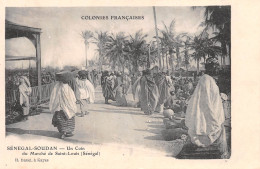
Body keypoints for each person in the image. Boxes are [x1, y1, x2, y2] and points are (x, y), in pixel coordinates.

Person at [184, 57, 228, 158]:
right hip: (210, 113)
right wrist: (212, 117)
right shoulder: (206, 79)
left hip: (214, 111)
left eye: (217, 66)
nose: (217, 69)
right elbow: (206, 101)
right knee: (209, 132)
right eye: (215, 66)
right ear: (210, 67)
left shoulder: (209, 79)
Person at [50, 71, 78, 139]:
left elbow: (53, 96)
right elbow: (72, 97)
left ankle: (65, 132)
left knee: (62, 119)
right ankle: (66, 132)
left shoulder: (58, 86)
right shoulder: (66, 87)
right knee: (65, 119)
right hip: (63, 106)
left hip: (61, 106)